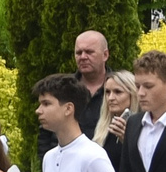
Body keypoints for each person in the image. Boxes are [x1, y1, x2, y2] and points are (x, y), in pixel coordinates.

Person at [36, 30, 114, 158]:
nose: (83, 57)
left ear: (105, 55)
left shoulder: (120, 89)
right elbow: (46, 132)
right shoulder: (62, 88)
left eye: (89, 52)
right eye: (78, 52)